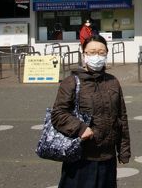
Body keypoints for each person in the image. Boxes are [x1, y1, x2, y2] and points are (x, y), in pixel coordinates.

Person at [51, 35, 131, 187]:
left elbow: (122, 117)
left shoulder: (112, 82)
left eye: (101, 52)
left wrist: (124, 150)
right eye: (92, 52)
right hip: (81, 158)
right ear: (84, 55)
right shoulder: (72, 82)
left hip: (108, 157)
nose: (97, 56)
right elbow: (58, 114)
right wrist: (80, 128)